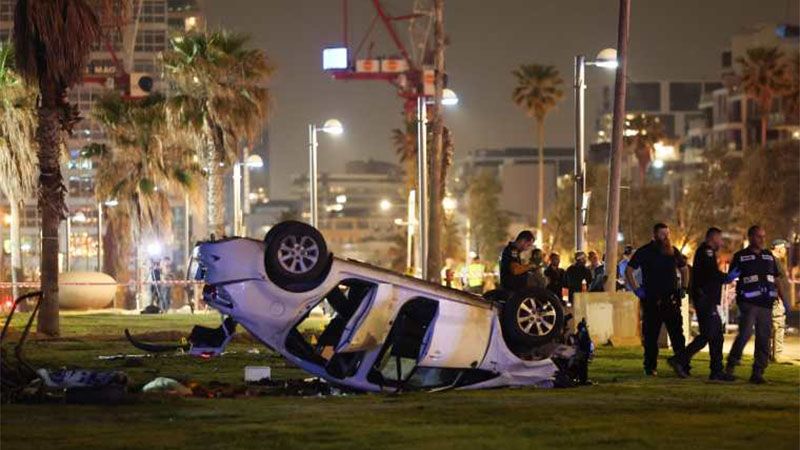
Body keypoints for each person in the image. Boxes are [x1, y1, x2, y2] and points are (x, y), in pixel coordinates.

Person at [670, 228, 737, 381]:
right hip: (705, 299)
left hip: (707, 299)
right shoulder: (706, 252)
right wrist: (727, 277)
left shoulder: (705, 252)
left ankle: (716, 370)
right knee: (708, 334)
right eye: (719, 239)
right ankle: (680, 360)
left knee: (716, 335)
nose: (721, 242)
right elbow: (711, 274)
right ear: (713, 238)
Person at [625, 223, 689, 377]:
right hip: (652, 300)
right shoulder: (645, 251)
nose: (666, 237)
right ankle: (650, 367)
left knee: (677, 336)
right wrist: (637, 289)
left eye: (667, 234)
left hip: (671, 299)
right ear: (655, 235)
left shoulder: (672, 251)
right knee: (651, 336)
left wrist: (684, 288)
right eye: (662, 234)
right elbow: (629, 270)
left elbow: (684, 269)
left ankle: (682, 365)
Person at [725, 226, 786, 384]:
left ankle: (758, 372)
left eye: (763, 236)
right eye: (759, 236)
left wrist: (783, 297)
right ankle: (731, 365)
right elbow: (731, 277)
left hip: (766, 303)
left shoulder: (768, 256)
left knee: (764, 337)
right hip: (749, 303)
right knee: (745, 333)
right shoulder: (741, 256)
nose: (762, 240)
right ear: (750, 237)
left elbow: (776, 278)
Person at [770, 239, 791, 362]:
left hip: (771, 297)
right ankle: (776, 356)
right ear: (778, 248)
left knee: (770, 327)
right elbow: (777, 281)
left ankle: (767, 354)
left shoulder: (768, 259)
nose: (785, 251)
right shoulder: (775, 261)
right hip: (776, 299)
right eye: (784, 248)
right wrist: (782, 298)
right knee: (778, 326)